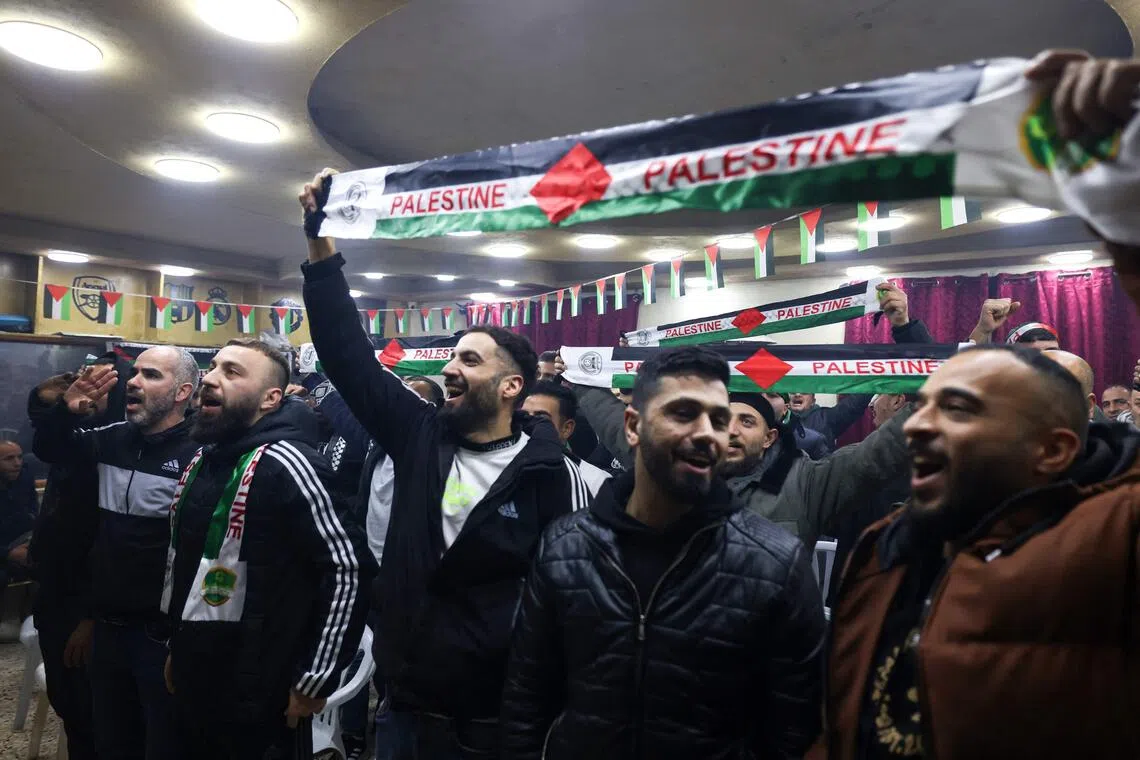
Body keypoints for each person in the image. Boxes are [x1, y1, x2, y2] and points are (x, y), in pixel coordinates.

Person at [300, 170, 589, 759]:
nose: (450, 368)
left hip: (491, 723)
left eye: (470, 360)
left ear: (511, 386)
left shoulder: (551, 473)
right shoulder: (420, 436)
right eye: (452, 356)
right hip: (403, 704)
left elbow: (569, 598)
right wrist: (321, 243)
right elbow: (348, 355)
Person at [816, 343, 1140, 759]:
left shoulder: (1111, 542)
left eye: (956, 408)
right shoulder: (883, 548)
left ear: (1052, 450)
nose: (915, 426)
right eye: (922, 404)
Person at [501, 346, 826, 759]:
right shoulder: (566, 548)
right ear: (633, 427)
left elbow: (796, 732)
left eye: (718, 419)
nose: (709, 432)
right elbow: (527, 702)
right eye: (684, 414)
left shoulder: (776, 564)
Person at [567, 283, 933, 549]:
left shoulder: (807, 483)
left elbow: (910, 425)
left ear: (770, 436)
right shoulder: (674, 469)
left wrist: (905, 330)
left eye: (748, 421)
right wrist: (576, 371)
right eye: (725, 421)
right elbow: (613, 421)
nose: (734, 432)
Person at [157, 340, 371, 759]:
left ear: (271, 398)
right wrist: (177, 648)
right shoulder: (204, 458)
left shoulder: (290, 463)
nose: (211, 379)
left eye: (233, 373)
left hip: (262, 686)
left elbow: (349, 570)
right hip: (197, 670)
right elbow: (189, 568)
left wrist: (314, 679)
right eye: (214, 367)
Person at [30, 346, 200, 760]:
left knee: (161, 743)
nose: (134, 381)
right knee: (109, 740)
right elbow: (53, 449)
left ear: (182, 392)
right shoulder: (110, 441)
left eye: (151, 375)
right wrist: (66, 412)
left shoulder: (201, 455)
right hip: (107, 629)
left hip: (159, 635)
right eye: (135, 372)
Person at [25, 353, 129, 760]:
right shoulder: (70, 437)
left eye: (101, 383)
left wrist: (89, 616)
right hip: (56, 589)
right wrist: (65, 405)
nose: (87, 389)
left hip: (91, 602)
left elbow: (109, 539)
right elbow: (45, 432)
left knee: (93, 711)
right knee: (69, 702)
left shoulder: (115, 447)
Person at [522, 381, 611, 496]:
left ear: (567, 428)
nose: (527, 424)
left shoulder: (596, 483)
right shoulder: (500, 470)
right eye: (523, 416)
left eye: (540, 418)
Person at [0, 441, 36, 577]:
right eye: (9, 458)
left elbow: (33, 514)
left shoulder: (25, 478)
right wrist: (8, 553)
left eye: (20, 457)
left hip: (23, 540)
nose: (17, 463)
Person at [763, 391, 830, 459]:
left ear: (785, 408)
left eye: (772, 395)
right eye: (793, 392)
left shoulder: (812, 440)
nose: (762, 398)